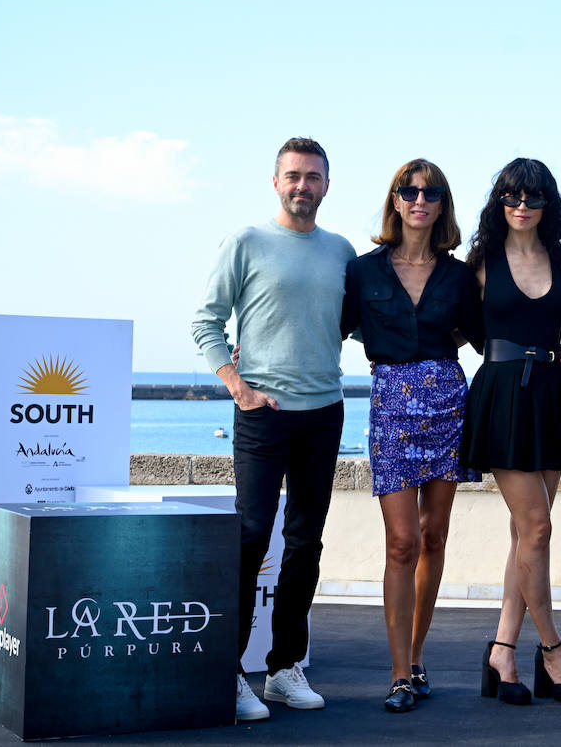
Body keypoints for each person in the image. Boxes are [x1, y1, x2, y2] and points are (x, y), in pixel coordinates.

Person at [191, 137, 356, 723]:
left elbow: (363, 321)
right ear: (276, 181)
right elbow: (205, 321)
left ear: (326, 185)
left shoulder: (341, 250)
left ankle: (285, 668)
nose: (302, 186)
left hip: (324, 411)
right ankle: (230, 670)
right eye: (293, 175)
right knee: (252, 536)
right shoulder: (246, 242)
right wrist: (238, 386)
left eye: (313, 177)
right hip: (262, 413)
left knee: (306, 542)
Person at [341, 158, 484, 713]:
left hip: (449, 401)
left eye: (431, 192)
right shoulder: (362, 271)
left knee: (433, 538)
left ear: (443, 205)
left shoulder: (458, 275)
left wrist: (549, 356)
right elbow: (323, 327)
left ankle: (417, 657)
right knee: (401, 542)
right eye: (409, 190)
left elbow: (485, 338)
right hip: (392, 406)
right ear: (395, 201)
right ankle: (399, 671)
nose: (419, 199)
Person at [460, 158, 561, 707]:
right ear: (499, 202)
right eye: (512, 197)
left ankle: (501, 651)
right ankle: (554, 653)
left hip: (548, 396)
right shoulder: (480, 263)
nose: (521, 206)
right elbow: (452, 326)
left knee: (526, 536)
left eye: (533, 198)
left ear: (548, 205)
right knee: (536, 528)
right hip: (501, 397)